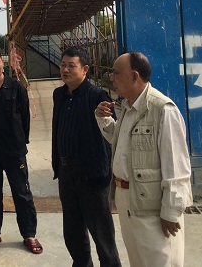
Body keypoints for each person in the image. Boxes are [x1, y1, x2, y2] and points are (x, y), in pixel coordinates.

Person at [95, 51, 193, 267]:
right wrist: (103, 120)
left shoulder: (163, 110)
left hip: (152, 207)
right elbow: (122, 143)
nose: (112, 78)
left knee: (160, 261)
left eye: (116, 73)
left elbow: (177, 167)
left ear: (134, 76)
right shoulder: (128, 107)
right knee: (138, 260)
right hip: (128, 201)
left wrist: (170, 212)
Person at [52, 46, 121, 267]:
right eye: (63, 65)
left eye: (71, 66)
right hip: (66, 173)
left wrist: (104, 114)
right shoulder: (59, 95)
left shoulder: (98, 96)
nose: (65, 70)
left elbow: (113, 131)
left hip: (91, 175)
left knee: (102, 235)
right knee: (73, 233)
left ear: (85, 69)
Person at [0, 47, 43, 254]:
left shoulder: (16, 87)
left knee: (22, 193)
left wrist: (20, 142)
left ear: (2, 63)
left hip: (14, 151)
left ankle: (29, 235)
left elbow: (25, 118)